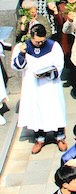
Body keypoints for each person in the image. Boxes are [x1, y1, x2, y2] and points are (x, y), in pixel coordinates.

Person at [12, 22, 67, 154]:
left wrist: (47, 73)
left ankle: (59, 137)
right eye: (37, 41)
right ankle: (39, 138)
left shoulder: (53, 46)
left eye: (42, 41)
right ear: (31, 37)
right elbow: (17, 66)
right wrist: (22, 53)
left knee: (55, 109)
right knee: (37, 110)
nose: (40, 44)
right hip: (33, 86)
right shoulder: (22, 47)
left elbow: (59, 65)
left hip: (50, 85)